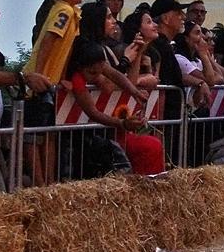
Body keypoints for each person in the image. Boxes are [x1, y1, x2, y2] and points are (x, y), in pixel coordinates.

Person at [64, 38, 165, 175]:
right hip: (79, 138)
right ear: (80, 66)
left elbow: (116, 75)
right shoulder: (77, 79)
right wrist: (122, 123)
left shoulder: (96, 63)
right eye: (92, 73)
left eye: (99, 72)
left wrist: (134, 91)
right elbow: (93, 113)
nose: (96, 77)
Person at [22, 0, 84, 186]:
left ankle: (48, 181)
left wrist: (63, 76)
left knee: (48, 133)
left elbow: (66, 50)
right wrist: (37, 73)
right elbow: (49, 39)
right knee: (33, 135)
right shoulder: (64, 11)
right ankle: (40, 182)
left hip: (51, 81)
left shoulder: (74, 14)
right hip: (39, 82)